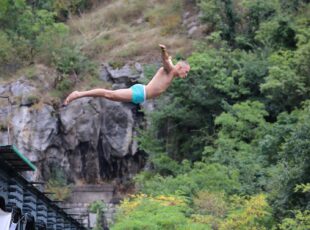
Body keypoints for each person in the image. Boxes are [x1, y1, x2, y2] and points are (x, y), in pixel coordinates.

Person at [64, 44, 190, 105]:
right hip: (140, 93)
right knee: (109, 94)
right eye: (186, 71)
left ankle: (80, 94)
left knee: (110, 96)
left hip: (140, 95)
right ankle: (78, 94)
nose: (186, 74)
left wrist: (168, 56)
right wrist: (163, 50)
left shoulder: (172, 73)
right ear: (180, 67)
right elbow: (166, 60)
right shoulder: (170, 70)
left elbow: (169, 60)